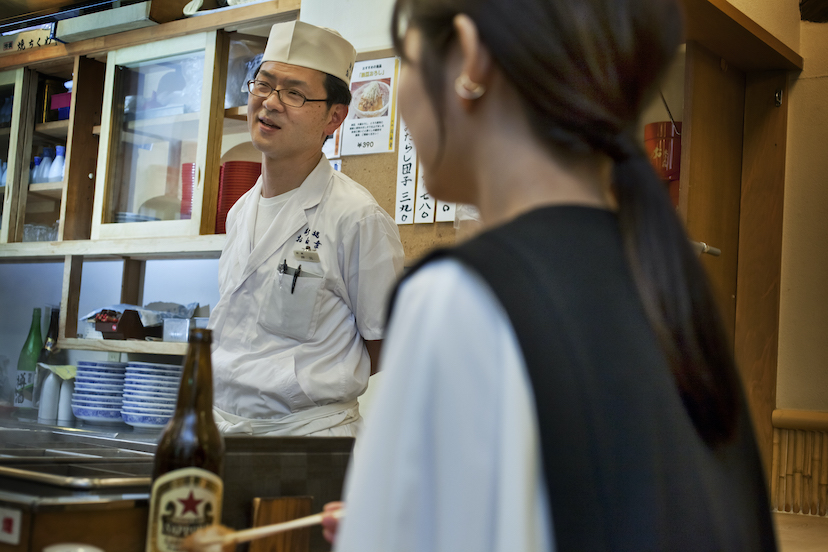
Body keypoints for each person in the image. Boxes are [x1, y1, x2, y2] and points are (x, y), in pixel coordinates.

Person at [324, 0, 777, 550]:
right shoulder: (666, 280)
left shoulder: (458, 296)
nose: (402, 98)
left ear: (470, 59)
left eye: (407, 61)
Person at [208, 20, 405, 437]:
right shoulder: (240, 211)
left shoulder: (357, 217)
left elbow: (385, 343)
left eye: (294, 92)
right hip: (226, 430)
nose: (271, 102)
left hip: (310, 440)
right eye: (263, 84)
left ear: (334, 117)